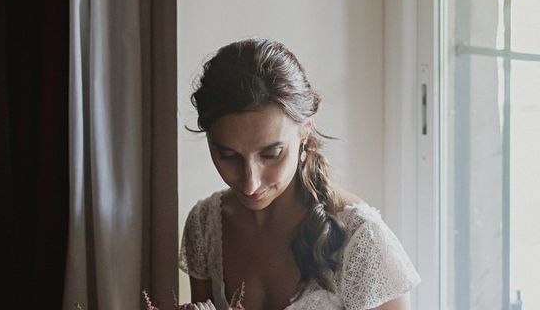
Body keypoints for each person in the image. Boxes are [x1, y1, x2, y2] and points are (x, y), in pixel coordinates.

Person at [179, 38, 421, 310]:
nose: (250, 182)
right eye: (228, 155)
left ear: (305, 129)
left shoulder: (361, 241)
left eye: (271, 154)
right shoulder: (206, 226)